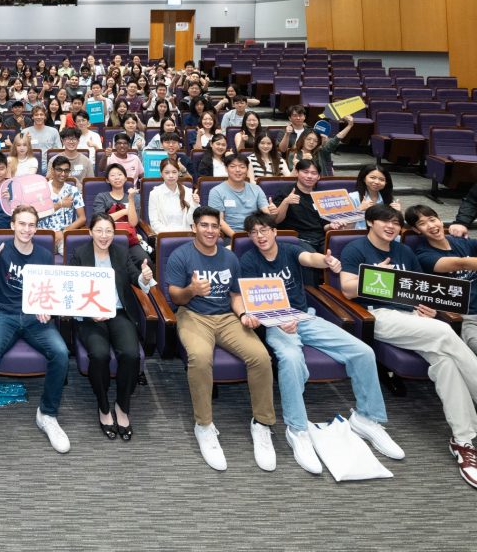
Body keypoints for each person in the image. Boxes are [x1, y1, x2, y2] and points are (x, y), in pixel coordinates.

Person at [239, 213, 404, 474]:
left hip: (303, 317)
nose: (260, 236)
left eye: (264, 230)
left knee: (362, 351)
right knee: (292, 360)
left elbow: (310, 258)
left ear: (274, 231)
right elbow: (253, 302)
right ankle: (297, 429)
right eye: (254, 233)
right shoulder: (248, 261)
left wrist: (325, 260)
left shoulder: (290, 250)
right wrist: (278, 319)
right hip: (274, 322)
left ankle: (367, 417)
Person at [340, 204, 477, 488]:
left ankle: (463, 441)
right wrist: (373, 273)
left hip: (413, 317)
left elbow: (421, 288)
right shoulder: (355, 249)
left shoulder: (404, 251)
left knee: (446, 363)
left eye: (395, 223)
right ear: (370, 222)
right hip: (379, 314)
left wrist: (429, 309)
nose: (391, 227)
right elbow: (346, 290)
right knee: (444, 334)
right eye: (385, 222)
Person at [166, 206, 276, 471]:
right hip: (193, 315)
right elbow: (174, 297)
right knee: (201, 358)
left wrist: (243, 315)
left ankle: (262, 423)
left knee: (261, 357)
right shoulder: (180, 256)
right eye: (204, 225)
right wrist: (191, 290)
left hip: (227, 317)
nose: (210, 231)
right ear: (194, 228)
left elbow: (235, 294)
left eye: (215, 226)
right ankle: (203, 425)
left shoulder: (229, 258)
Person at [0, 205, 70, 470]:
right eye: (21, 224)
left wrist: (48, 308)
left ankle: (47, 414)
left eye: (31, 225)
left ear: (36, 228)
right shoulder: (0, 247)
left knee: (61, 353)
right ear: (12, 225)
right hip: (5, 315)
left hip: (34, 317)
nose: (26, 229)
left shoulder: (45, 255)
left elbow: (54, 292)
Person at [69, 213, 155, 440]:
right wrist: (89, 312)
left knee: (130, 354)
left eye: (109, 231)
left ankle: (122, 404)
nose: (104, 236)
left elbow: (136, 277)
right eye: (99, 230)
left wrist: (145, 278)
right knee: (98, 355)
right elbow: (71, 290)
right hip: (91, 315)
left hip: (117, 312)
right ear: (90, 232)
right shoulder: (80, 254)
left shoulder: (121, 252)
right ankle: (103, 405)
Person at [406, 204, 477, 355]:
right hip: (465, 317)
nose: (431, 226)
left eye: (432, 219)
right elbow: (460, 263)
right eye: (422, 223)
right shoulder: (423, 255)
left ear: (439, 220)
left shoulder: (461, 242)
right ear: (416, 230)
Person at [271, 159, 347, 254]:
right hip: (297, 238)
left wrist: (331, 226)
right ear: (297, 173)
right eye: (305, 172)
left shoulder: (321, 195)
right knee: (315, 257)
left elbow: (324, 226)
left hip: (320, 238)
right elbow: (276, 220)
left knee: (340, 252)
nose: (309, 176)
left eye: (314, 173)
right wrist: (286, 202)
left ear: (318, 177)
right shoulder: (285, 192)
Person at [92, 164, 148, 268]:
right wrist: (123, 212)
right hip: (106, 238)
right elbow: (99, 220)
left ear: (125, 178)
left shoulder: (133, 198)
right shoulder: (102, 197)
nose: (117, 177)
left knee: (144, 260)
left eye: (120, 174)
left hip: (129, 239)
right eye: (113, 175)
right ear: (107, 180)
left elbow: (133, 223)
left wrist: (131, 199)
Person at [208, 154, 269, 239]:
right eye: (232, 166)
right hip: (230, 235)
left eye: (242, 167)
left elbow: (266, 214)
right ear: (226, 169)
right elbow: (219, 220)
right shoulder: (216, 191)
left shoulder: (256, 189)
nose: (238, 170)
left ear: (247, 169)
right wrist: (237, 238)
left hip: (256, 233)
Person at [37, 155, 85, 254]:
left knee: (73, 257)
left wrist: (63, 232)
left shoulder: (73, 190)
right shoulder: (41, 189)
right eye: (59, 170)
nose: (63, 174)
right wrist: (60, 204)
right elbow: (35, 215)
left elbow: (82, 218)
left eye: (66, 171)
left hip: (64, 235)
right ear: (52, 170)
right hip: (43, 234)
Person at [287, 116, 354, 176]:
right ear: (303, 139)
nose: (311, 142)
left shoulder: (321, 151)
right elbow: (292, 177)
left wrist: (349, 125)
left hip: (322, 183)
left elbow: (337, 138)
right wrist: (303, 162)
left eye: (315, 141)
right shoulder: (293, 154)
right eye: (308, 139)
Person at [148, 158, 200, 234]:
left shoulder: (187, 191)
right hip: (164, 237)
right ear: (161, 174)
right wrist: (172, 235)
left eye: (174, 172)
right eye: (167, 173)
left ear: (179, 173)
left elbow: (191, 221)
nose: (171, 176)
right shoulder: (155, 193)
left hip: (186, 235)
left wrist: (194, 204)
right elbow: (154, 223)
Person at [348, 163, 401, 230]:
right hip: (358, 234)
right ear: (364, 179)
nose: (377, 182)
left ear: (386, 183)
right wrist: (359, 209)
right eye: (372, 178)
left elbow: (396, 225)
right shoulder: (352, 197)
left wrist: (398, 213)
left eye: (381, 179)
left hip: (382, 234)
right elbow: (343, 224)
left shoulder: (388, 200)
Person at [21, 106, 62, 174]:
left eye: (41, 114)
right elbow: (20, 152)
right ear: (32, 117)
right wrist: (26, 142)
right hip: (29, 163)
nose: (39, 117)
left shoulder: (54, 131)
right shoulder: (24, 132)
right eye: (36, 115)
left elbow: (58, 151)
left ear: (45, 116)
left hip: (48, 164)